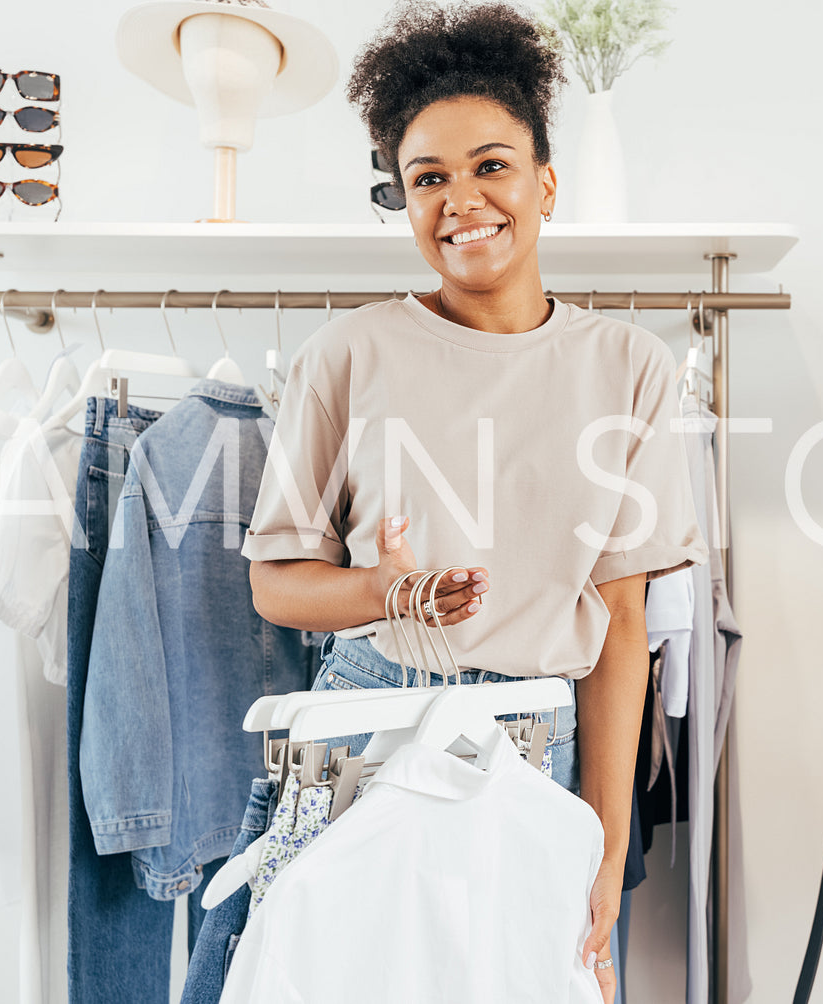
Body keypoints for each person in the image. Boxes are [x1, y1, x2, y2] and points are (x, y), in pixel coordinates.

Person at [241, 2, 708, 1000]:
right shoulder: (344, 356)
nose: (462, 200)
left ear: (544, 180)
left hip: (538, 736)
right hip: (365, 721)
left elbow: (622, 621)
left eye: (490, 165)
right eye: (427, 178)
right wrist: (389, 593)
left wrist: (602, 840)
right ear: (403, 200)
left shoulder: (629, 366)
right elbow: (276, 588)